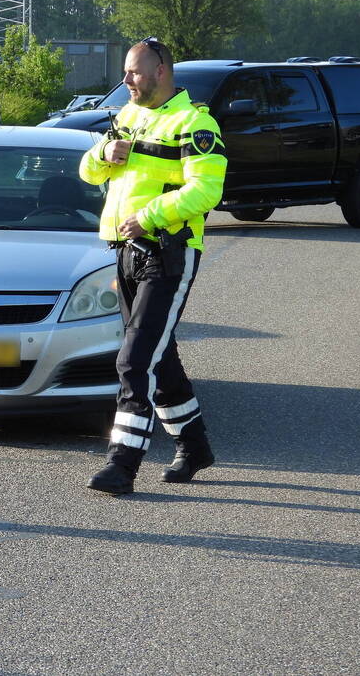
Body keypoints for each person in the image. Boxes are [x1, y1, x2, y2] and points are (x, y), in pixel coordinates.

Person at [78, 37, 227, 494]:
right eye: (126, 72)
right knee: (159, 359)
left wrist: (150, 217)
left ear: (161, 72)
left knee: (134, 360)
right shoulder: (127, 116)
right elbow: (86, 171)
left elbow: (207, 192)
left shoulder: (195, 123)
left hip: (168, 253)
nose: (126, 81)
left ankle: (123, 464)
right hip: (124, 252)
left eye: (135, 73)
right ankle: (195, 446)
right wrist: (104, 155)